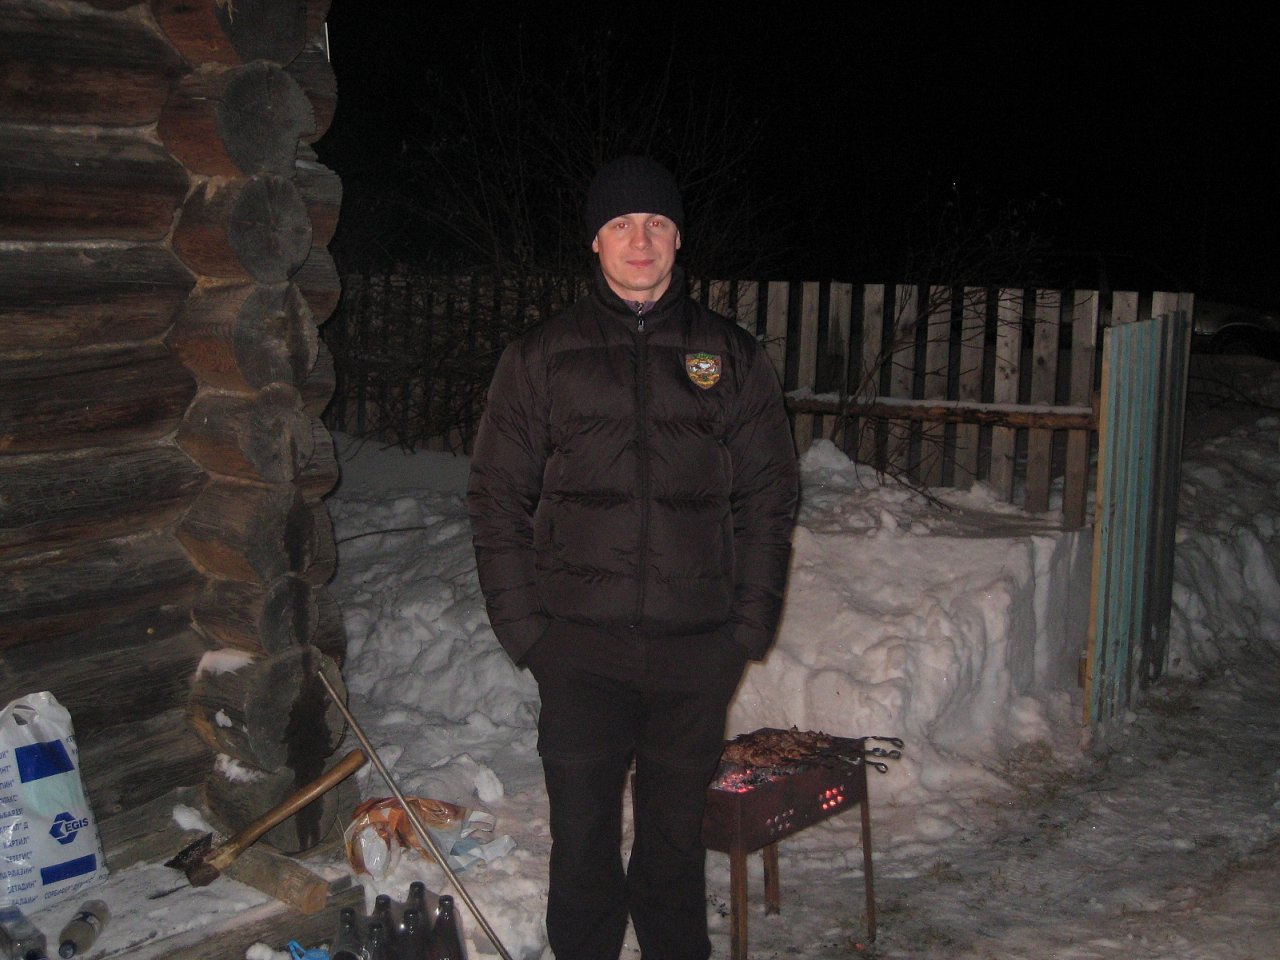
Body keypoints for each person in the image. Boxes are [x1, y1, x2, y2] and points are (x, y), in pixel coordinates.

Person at [467, 155, 798, 960]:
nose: (639, 240)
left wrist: (745, 629)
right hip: (579, 651)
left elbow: (770, 497)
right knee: (582, 847)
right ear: (595, 241)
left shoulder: (731, 355)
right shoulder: (542, 356)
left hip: (696, 652)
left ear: (679, 238)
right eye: (620, 224)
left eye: (655, 223)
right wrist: (528, 633)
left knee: (673, 849)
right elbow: (495, 498)